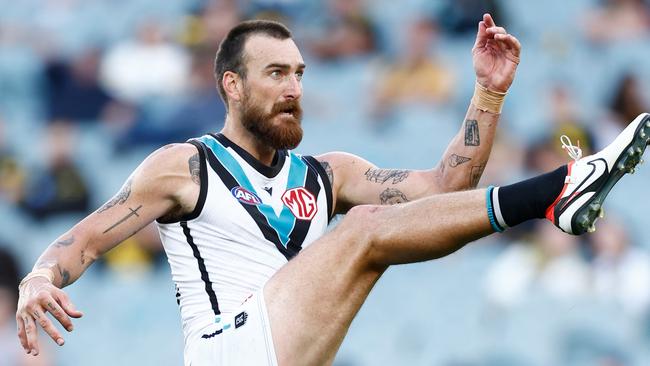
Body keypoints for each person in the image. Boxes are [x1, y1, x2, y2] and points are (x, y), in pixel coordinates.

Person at [15, 15, 649, 366]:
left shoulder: (328, 173)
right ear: (232, 86)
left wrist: (488, 91)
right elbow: (84, 240)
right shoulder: (185, 165)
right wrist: (39, 276)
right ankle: (557, 192)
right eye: (275, 73)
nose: (294, 86)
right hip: (225, 354)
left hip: (296, 356)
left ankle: (558, 196)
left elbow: (446, 186)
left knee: (374, 226)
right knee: (367, 228)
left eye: (299, 72)